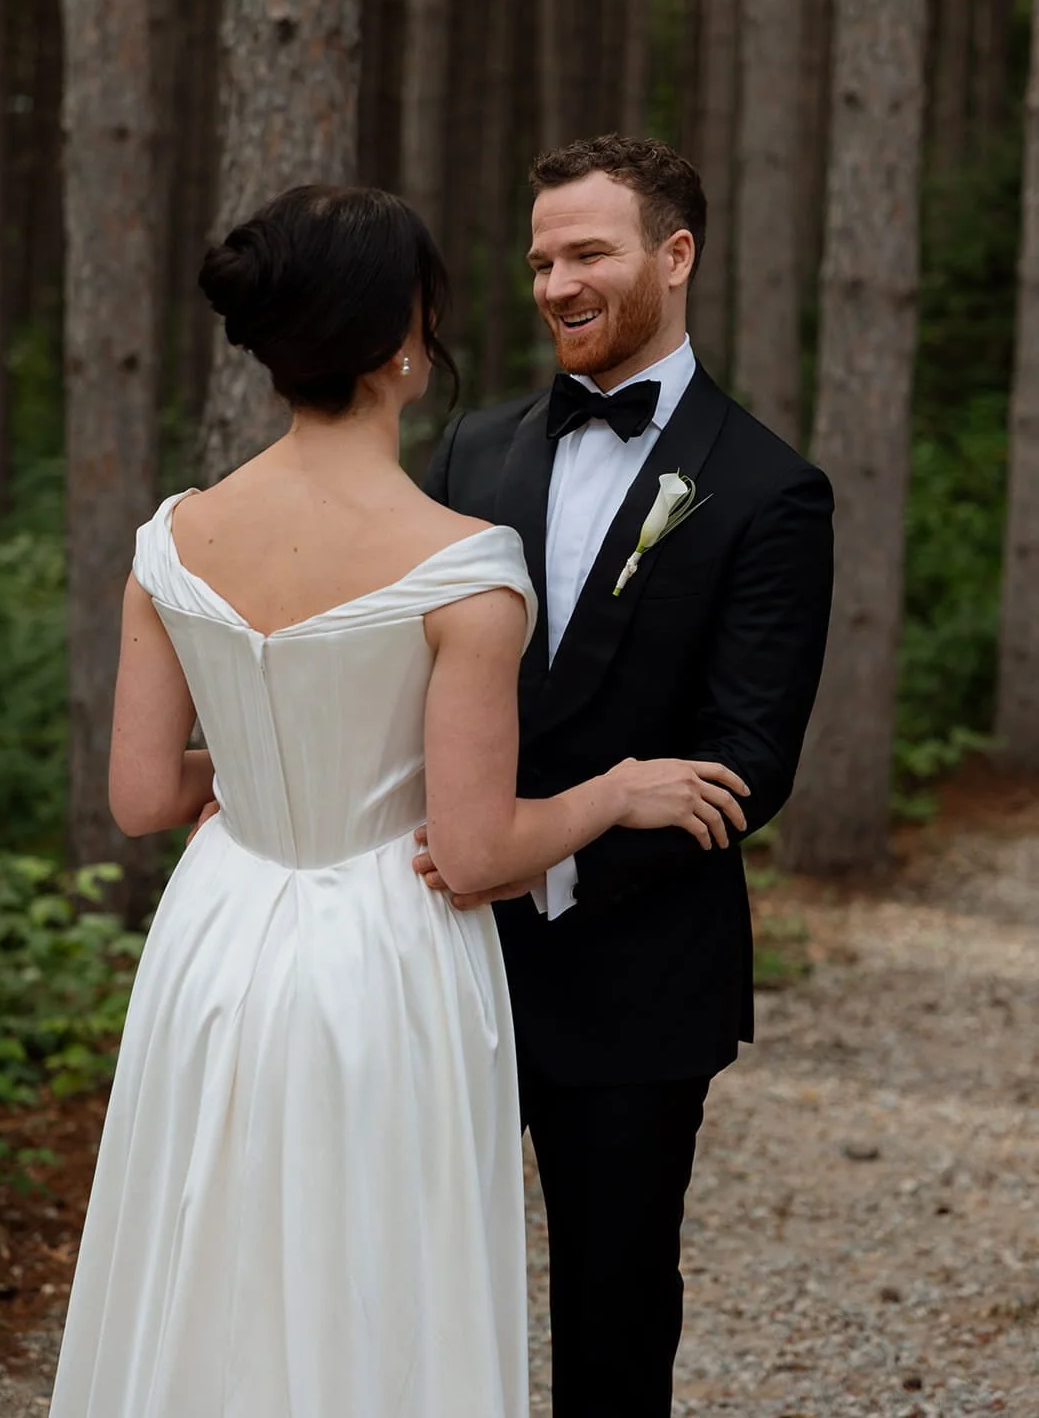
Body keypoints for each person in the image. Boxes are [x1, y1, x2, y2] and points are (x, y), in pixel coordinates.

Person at [48, 184, 748, 1418]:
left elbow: (145, 794)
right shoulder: (465, 568)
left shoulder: (169, 541)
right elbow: (474, 852)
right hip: (382, 952)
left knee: (210, 1255)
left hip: (215, 941)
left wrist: (275, 774)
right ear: (404, 339)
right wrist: (614, 789)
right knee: (372, 1275)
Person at [419, 134, 835, 1418]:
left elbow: (745, 763)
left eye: (586, 252)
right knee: (422, 1290)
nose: (553, 282)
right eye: (540, 258)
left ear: (673, 254)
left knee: (610, 1318)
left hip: (635, 976)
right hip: (439, 958)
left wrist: (533, 856)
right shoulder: (469, 452)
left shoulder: (769, 490)